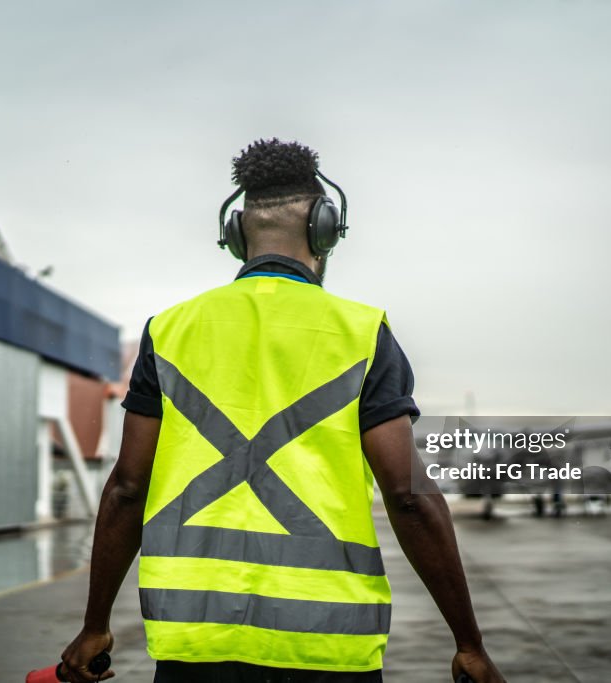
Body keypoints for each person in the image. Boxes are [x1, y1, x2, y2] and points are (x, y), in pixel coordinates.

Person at [59, 139, 505, 683]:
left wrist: (95, 624)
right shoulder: (361, 333)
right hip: (328, 639)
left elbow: (128, 486)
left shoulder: (171, 330)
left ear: (235, 234)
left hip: (197, 641)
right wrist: (468, 642)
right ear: (324, 230)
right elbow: (408, 497)